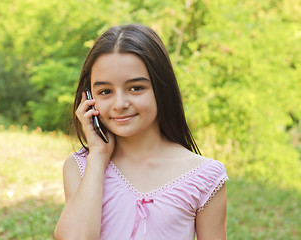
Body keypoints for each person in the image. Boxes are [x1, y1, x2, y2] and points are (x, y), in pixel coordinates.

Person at [54, 23, 228, 240]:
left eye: (135, 88)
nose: (119, 103)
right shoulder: (80, 167)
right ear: (89, 98)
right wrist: (98, 156)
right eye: (105, 91)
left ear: (161, 88)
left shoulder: (204, 177)